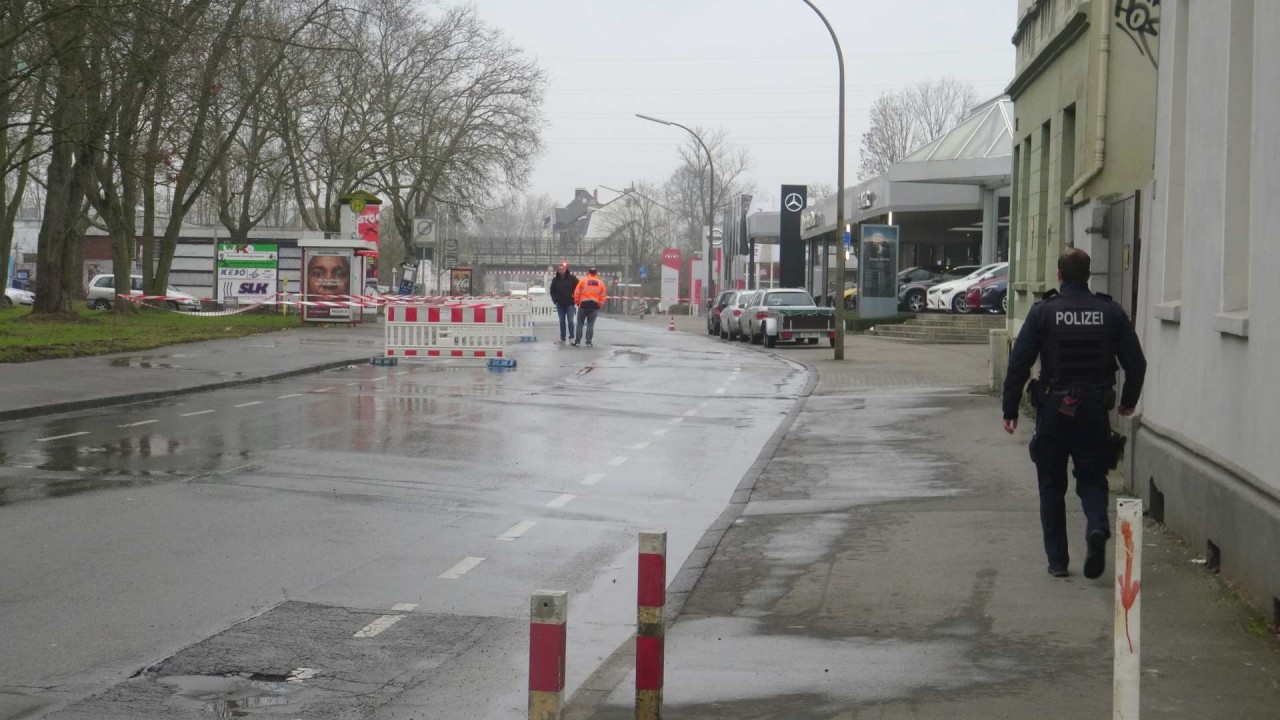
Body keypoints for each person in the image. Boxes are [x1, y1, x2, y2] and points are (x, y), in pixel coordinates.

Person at [1002, 248, 1147, 580]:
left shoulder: (1043, 312)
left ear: (1059, 275)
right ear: (1089, 275)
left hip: (1054, 407)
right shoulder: (1109, 312)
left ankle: (1058, 561)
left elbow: (1019, 363)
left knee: (1051, 485)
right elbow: (1136, 363)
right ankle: (1096, 527)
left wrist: (1010, 409)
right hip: (1094, 409)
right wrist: (1127, 402)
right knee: (1092, 476)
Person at [572, 267, 608, 347]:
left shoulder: (583, 281)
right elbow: (603, 295)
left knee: (580, 323)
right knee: (590, 324)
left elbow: (577, 292)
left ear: (589, 272)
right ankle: (588, 342)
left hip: (583, 305)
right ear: (596, 273)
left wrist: (577, 302)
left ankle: (577, 341)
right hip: (594, 306)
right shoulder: (600, 283)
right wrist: (599, 304)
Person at [549, 262, 578, 344]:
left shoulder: (572, 278)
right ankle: (562, 338)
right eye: (559, 270)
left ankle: (571, 337)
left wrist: (575, 298)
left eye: (562, 269)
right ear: (558, 271)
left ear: (566, 270)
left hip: (570, 303)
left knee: (570, 321)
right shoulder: (555, 280)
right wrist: (555, 301)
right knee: (562, 321)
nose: (561, 271)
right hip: (560, 304)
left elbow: (579, 287)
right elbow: (552, 291)